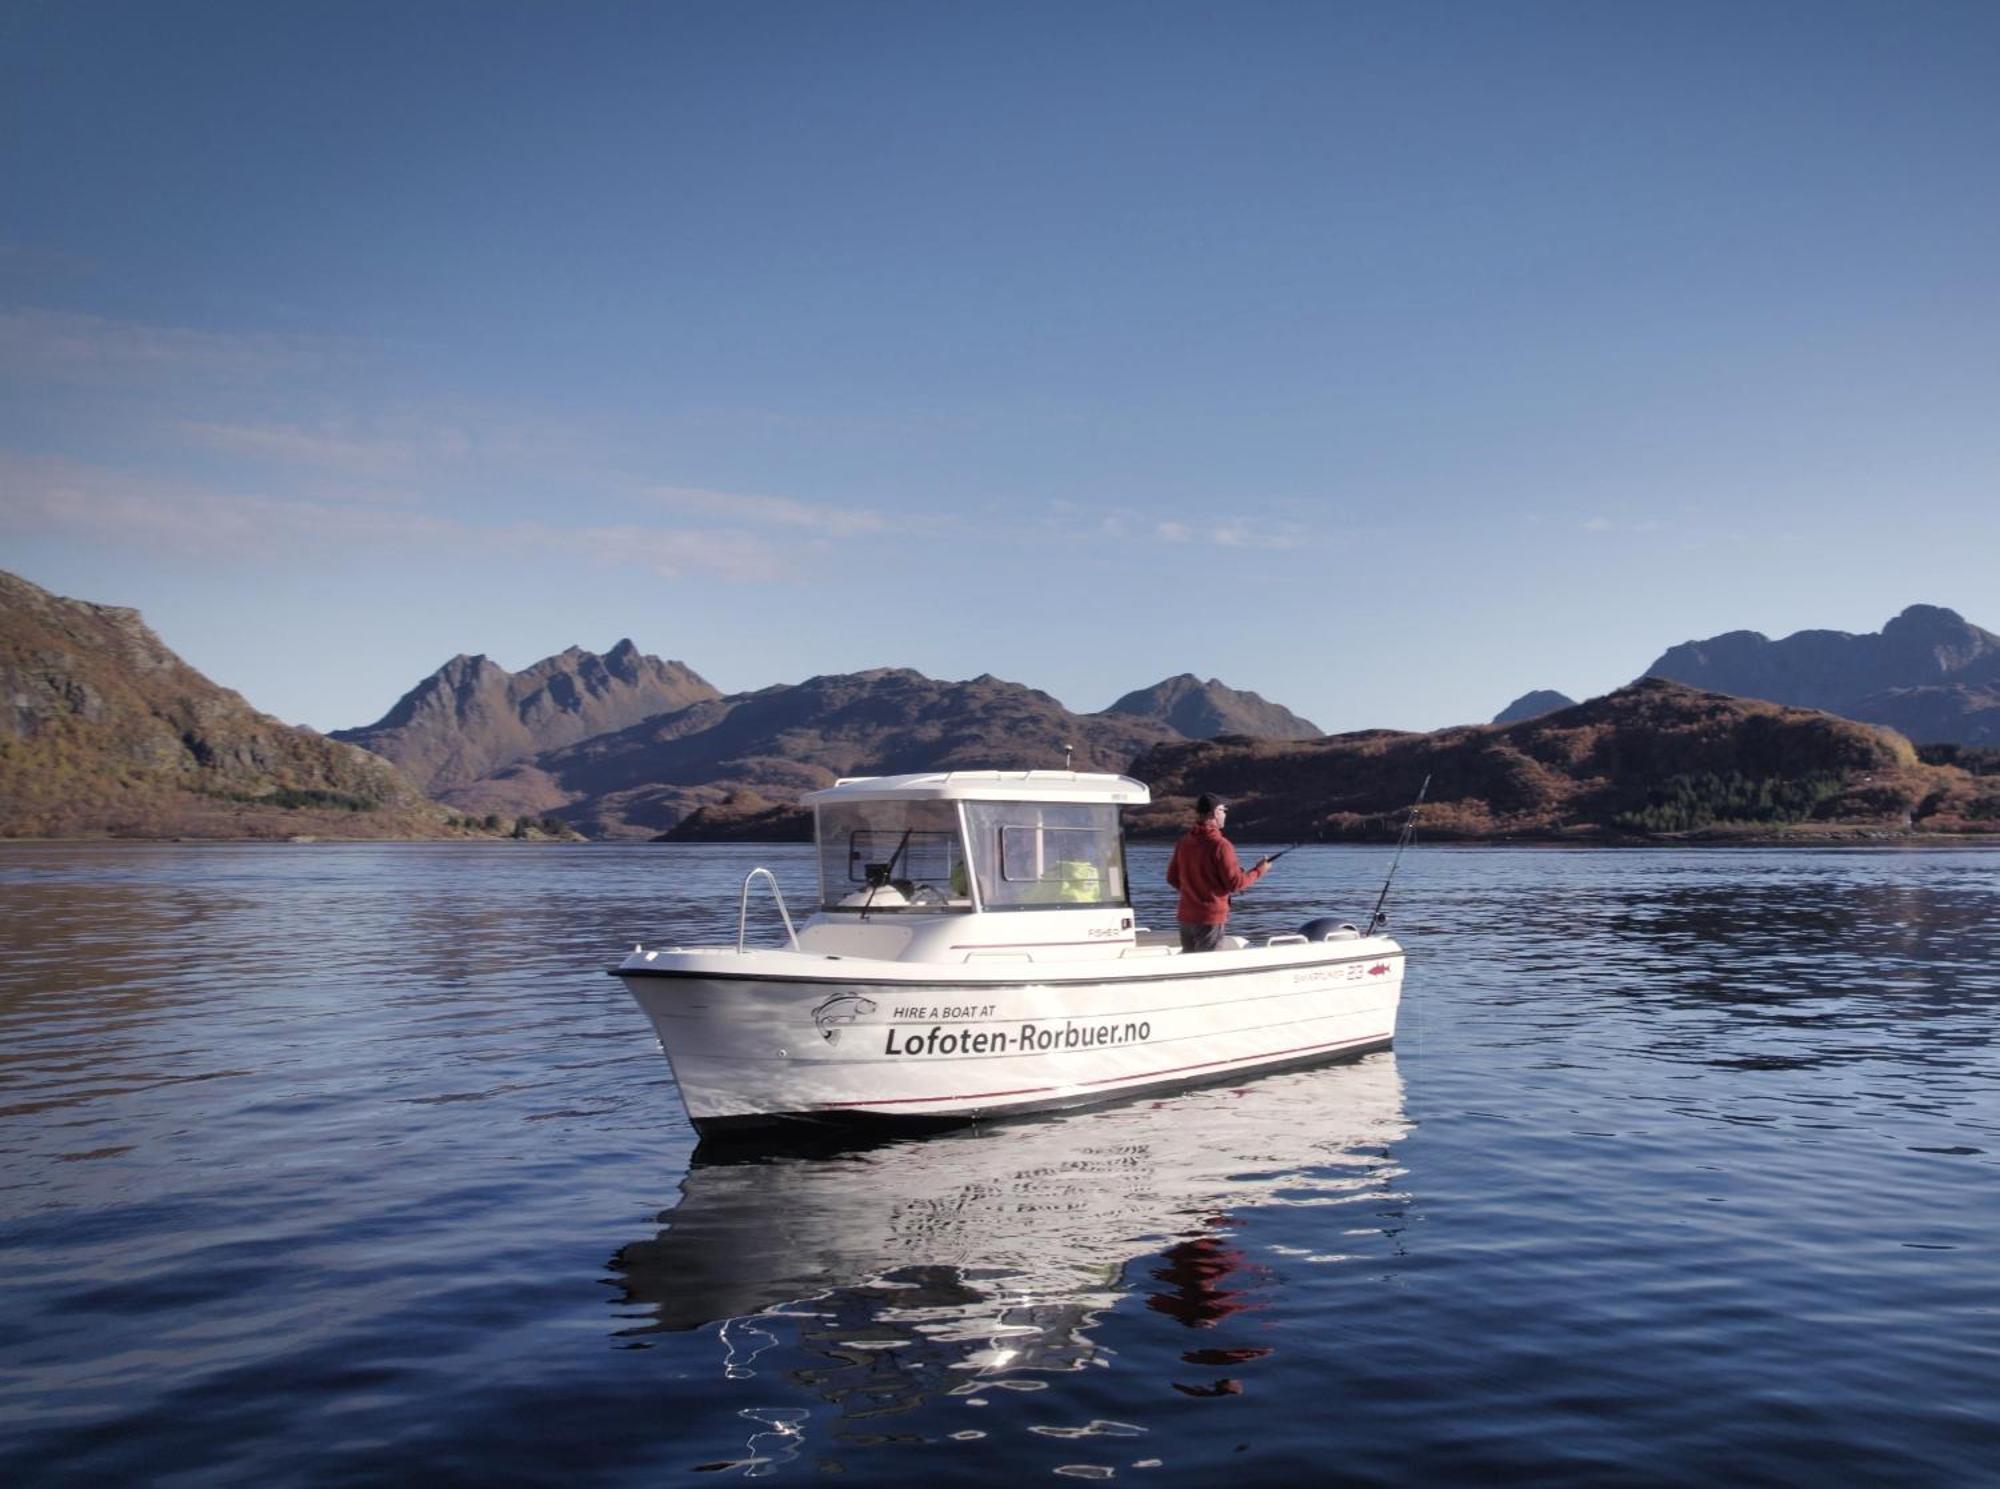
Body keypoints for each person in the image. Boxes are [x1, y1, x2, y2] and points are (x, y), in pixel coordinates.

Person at [1165, 794, 1270, 952]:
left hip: (1186, 915)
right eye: (1224, 810)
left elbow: (1172, 878)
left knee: (1189, 965)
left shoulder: (1184, 842)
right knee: (1207, 965)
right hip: (1209, 917)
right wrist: (1259, 871)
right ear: (1215, 813)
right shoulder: (1220, 845)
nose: (1225, 814)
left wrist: (1194, 891)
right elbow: (1236, 883)